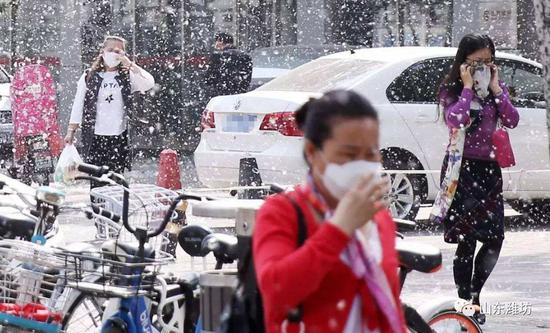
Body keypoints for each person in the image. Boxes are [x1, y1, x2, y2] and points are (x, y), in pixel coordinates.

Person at [253, 90, 407, 333]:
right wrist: (340, 228)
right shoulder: (283, 212)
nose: (361, 164)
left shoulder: (379, 219)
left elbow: (388, 307)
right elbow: (276, 290)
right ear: (313, 153)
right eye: (348, 154)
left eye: (370, 154)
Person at [431, 34, 519, 324]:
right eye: (475, 62)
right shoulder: (452, 90)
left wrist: (496, 90)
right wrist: (468, 88)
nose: (482, 67)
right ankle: (464, 302)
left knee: (495, 238)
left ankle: (474, 296)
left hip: (489, 171)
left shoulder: (496, 90)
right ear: (463, 63)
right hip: (462, 170)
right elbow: (455, 120)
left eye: (487, 62)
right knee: (466, 240)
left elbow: (512, 119)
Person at [64, 35, 155, 185]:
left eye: (119, 51)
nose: (114, 53)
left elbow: (149, 83)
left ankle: (115, 208)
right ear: (103, 52)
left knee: (116, 180)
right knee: (96, 179)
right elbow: (78, 103)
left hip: (118, 136)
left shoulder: (127, 76)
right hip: (95, 136)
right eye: (110, 50)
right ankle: (97, 208)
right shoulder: (89, 76)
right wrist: (71, 131)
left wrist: (130, 64)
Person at [205, 32, 252, 96]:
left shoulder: (218, 56)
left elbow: (210, 78)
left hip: (222, 94)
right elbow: (247, 78)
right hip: (240, 94)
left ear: (220, 41)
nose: (215, 44)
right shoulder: (246, 56)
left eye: (216, 41)